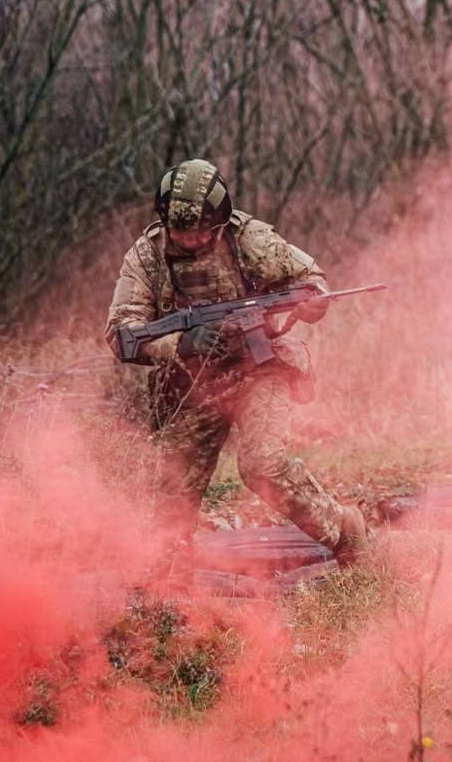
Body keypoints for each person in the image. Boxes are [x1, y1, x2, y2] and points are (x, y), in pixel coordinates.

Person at [105, 159, 367, 572]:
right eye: (181, 231)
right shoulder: (148, 258)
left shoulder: (251, 240)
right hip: (194, 384)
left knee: (263, 466)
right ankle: (173, 588)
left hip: (260, 372)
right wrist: (180, 341)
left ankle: (346, 532)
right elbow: (122, 332)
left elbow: (312, 279)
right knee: (168, 505)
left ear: (219, 223)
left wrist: (310, 302)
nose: (190, 240)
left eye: (200, 232)